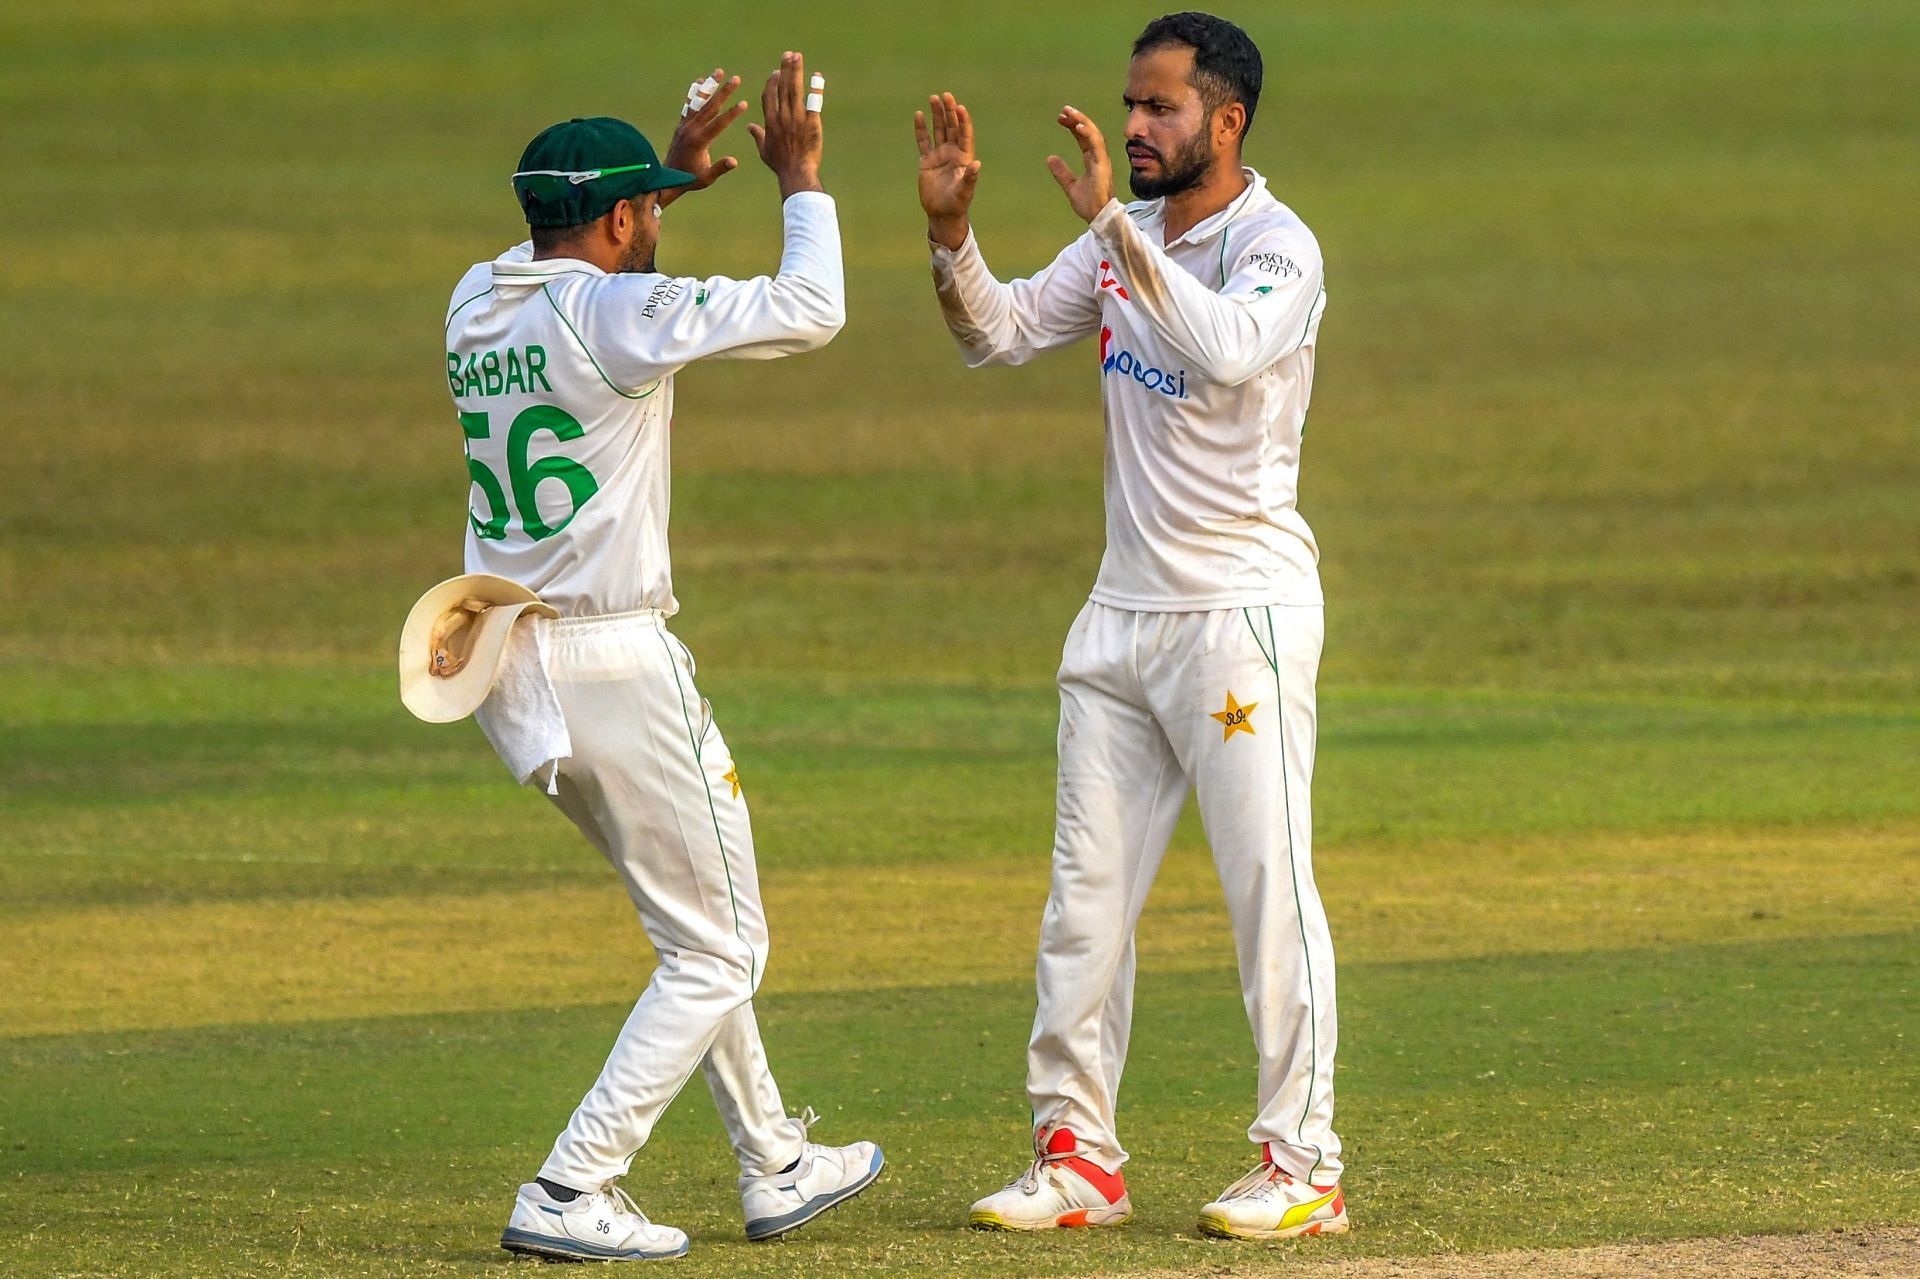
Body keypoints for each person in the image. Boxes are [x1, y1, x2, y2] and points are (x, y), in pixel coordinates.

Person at [440, 54, 882, 1262]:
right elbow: (812, 308)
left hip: (508, 673)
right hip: (615, 661)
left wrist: (665, 186)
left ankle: (775, 1159)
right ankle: (574, 1183)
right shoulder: (620, 317)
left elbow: (580, 271)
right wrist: (799, 180)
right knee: (724, 943)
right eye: (642, 210)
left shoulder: (474, 301)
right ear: (623, 219)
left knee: (690, 928)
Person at [915, 12, 1347, 1241]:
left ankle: (1302, 1160)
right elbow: (994, 335)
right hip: (1119, 618)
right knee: (1083, 904)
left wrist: (1114, 228)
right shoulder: (1133, 233)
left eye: (1160, 108)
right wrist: (953, 235)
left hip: (1238, 618)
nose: (1137, 128)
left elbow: (1224, 352)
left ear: (1229, 120)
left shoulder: (1278, 245)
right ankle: (1076, 1157)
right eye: (1131, 104)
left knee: (1268, 889)